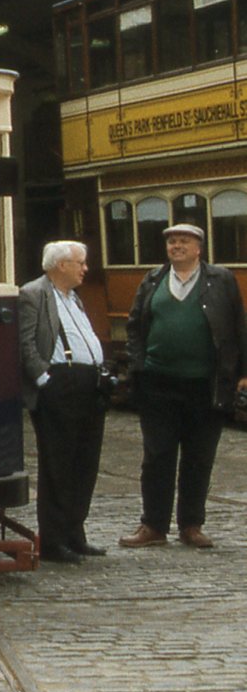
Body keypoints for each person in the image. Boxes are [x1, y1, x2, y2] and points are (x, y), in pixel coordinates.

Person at [118, 223, 247, 549]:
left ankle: (191, 525)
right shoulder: (153, 280)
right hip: (158, 385)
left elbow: (238, 327)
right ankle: (153, 526)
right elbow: (134, 327)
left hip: (206, 387)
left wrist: (242, 372)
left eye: (184, 242)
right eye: (172, 242)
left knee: (199, 458)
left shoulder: (221, 280)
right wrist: (139, 366)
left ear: (199, 248)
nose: (177, 246)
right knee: (157, 456)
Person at [18, 240, 109, 564]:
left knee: (85, 463)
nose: (85, 269)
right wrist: (44, 379)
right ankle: (53, 541)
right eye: (80, 263)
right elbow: (25, 342)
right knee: (59, 465)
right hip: (60, 385)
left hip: (88, 385)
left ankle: (74, 533)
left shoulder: (75, 297)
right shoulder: (34, 294)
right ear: (61, 266)